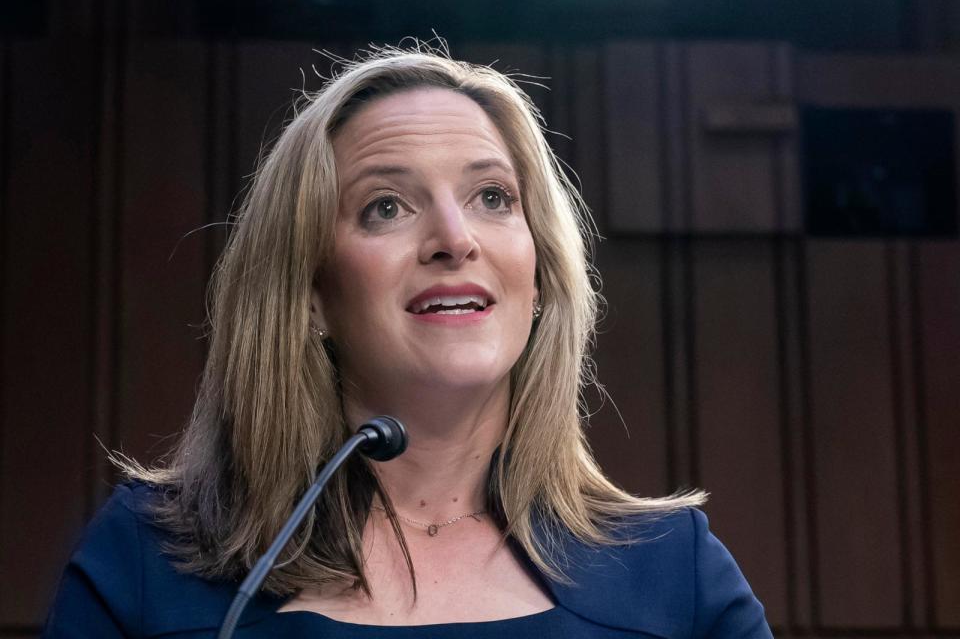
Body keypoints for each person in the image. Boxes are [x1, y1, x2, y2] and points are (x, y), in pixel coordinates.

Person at [43, 43, 773, 637]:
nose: (454, 240)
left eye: (493, 197)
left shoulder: (677, 577)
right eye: (385, 206)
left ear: (542, 272)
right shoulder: (148, 562)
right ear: (308, 295)